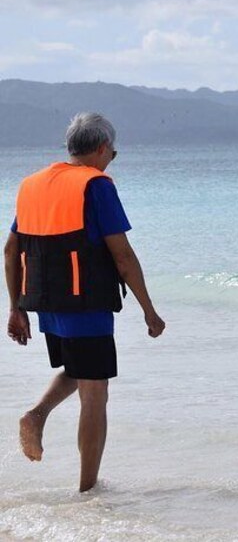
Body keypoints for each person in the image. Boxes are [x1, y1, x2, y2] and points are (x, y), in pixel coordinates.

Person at [4, 112, 166, 492]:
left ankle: (37, 415)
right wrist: (149, 311)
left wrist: (16, 307)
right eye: (113, 152)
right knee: (96, 391)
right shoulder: (96, 187)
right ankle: (89, 491)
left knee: (78, 368)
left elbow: (11, 249)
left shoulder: (32, 184)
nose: (112, 159)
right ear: (100, 147)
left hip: (45, 300)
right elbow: (123, 256)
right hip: (85, 299)